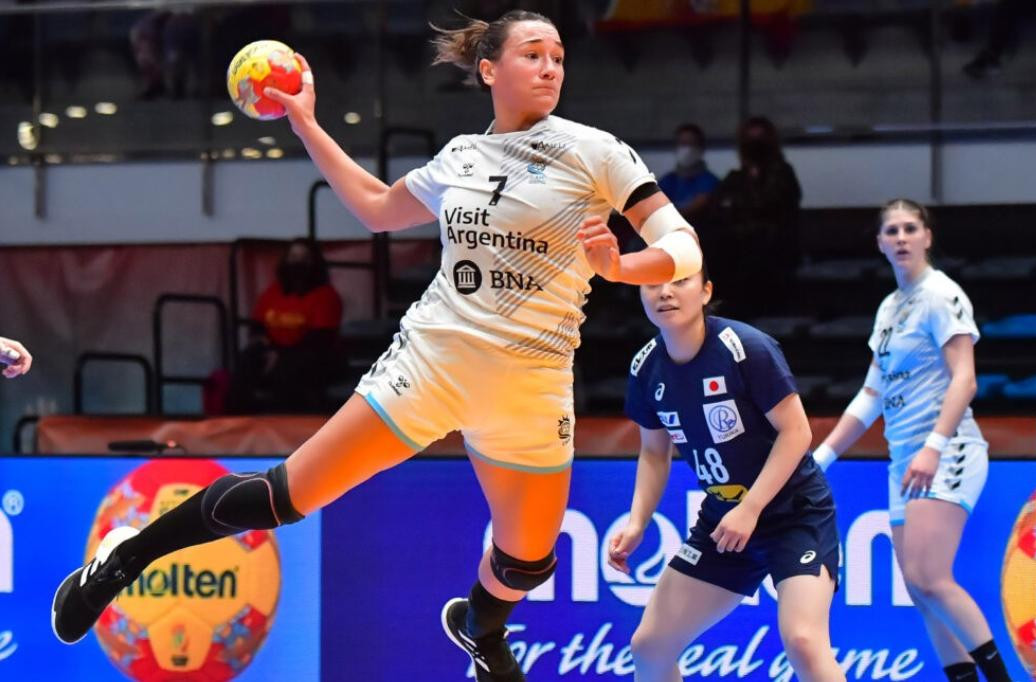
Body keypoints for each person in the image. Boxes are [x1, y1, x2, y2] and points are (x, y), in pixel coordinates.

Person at [51, 10, 703, 682]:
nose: (550, 68)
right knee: (285, 496)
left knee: (528, 562)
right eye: (533, 54)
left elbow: (684, 247)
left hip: (532, 383)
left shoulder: (595, 151)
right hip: (432, 362)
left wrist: (622, 267)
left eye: (559, 57)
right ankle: (125, 557)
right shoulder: (462, 156)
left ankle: (478, 627)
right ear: (489, 69)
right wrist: (305, 120)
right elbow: (376, 207)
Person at [813, 199, 1013, 682]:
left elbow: (965, 380)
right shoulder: (890, 308)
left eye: (909, 228)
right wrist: (818, 460)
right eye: (891, 230)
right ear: (880, 243)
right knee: (918, 588)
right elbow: (870, 395)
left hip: (948, 451)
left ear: (927, 236)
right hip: (904, 459)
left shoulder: (941, 295)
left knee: (931, 579)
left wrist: (934, 445)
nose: (901, 237)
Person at [611, 267, 844, 682]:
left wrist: (751, 507)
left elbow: (798, 432)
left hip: (795, 514)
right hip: (724, 522)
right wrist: (637, 522)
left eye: (680, 281)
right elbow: (653, 451)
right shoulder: (646, 368)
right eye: (652, 285)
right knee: (649, 647)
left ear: (705, 291)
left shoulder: (745, 348)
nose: (665, 292)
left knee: (804, 642)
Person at [227, 238, 342, 413]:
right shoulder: (273, 292)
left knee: (290, 369)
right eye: (293, 256)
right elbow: (257, 326)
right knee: (246, 360)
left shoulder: (326, 296)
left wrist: (281, 355)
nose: (297, 262)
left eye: (304, 257)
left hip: (311, 355)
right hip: (272, 351)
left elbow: (320, 338)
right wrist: (268, 348)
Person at [704, 116, 801, 319]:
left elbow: (775, 207)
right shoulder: (735, 177)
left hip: (772, 245)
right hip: (735, 246)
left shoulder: (783, 174)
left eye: (760, 139)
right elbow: (720, 207)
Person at [657, 123, 718, 222]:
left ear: (701, 148)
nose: (687, 149)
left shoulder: (709, 181)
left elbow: (699, 205)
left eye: (691, 144)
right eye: (683, 144)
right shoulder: (668, 180)